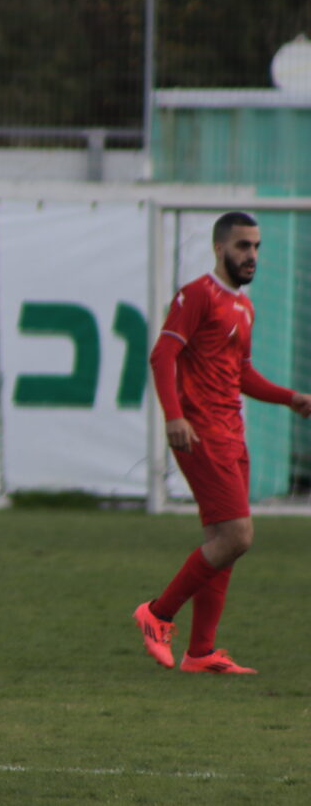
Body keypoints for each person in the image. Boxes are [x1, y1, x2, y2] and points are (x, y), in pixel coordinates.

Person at [135, 211, 311, 673]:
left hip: (233, 434)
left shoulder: (244, 307)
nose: (251, 255)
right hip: (201, 432)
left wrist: (289, 397)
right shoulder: (197, 294)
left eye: (256, 247)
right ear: (219, 248)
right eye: (242, 246)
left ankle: (200, 652)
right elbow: (162, 355)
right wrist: (174, 416)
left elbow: (242, 373)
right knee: (237, 535)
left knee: (223, 542)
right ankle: (157, 614)